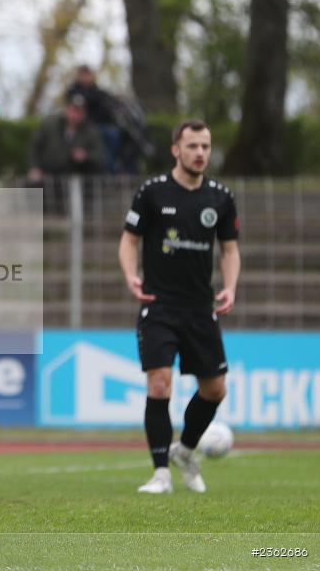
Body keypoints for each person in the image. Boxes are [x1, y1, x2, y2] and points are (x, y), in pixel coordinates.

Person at [118, 119, 240, 494]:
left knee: (215, 390)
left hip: (200, 308)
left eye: (205, 146)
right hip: (159, 305)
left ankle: (185, 452)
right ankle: (161, 474)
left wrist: (231, 287)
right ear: (176, 149)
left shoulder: (220, 197)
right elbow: (128, 241)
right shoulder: (152, 192)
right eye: (193, 146)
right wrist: (131, 276)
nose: (200, 153)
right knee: (159, 384)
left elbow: (230, 249)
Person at [27, 93, 105, 214]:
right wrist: (34, 168)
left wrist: (86, 157)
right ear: (66, 109)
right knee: (33, 186)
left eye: (79, 111)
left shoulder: (91, 132)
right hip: (48, 175)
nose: (74, 114)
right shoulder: (49, 125)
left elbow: (100, 157)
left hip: (74, 177)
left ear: (84, 114)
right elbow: (34, 148)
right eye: (72, 110)